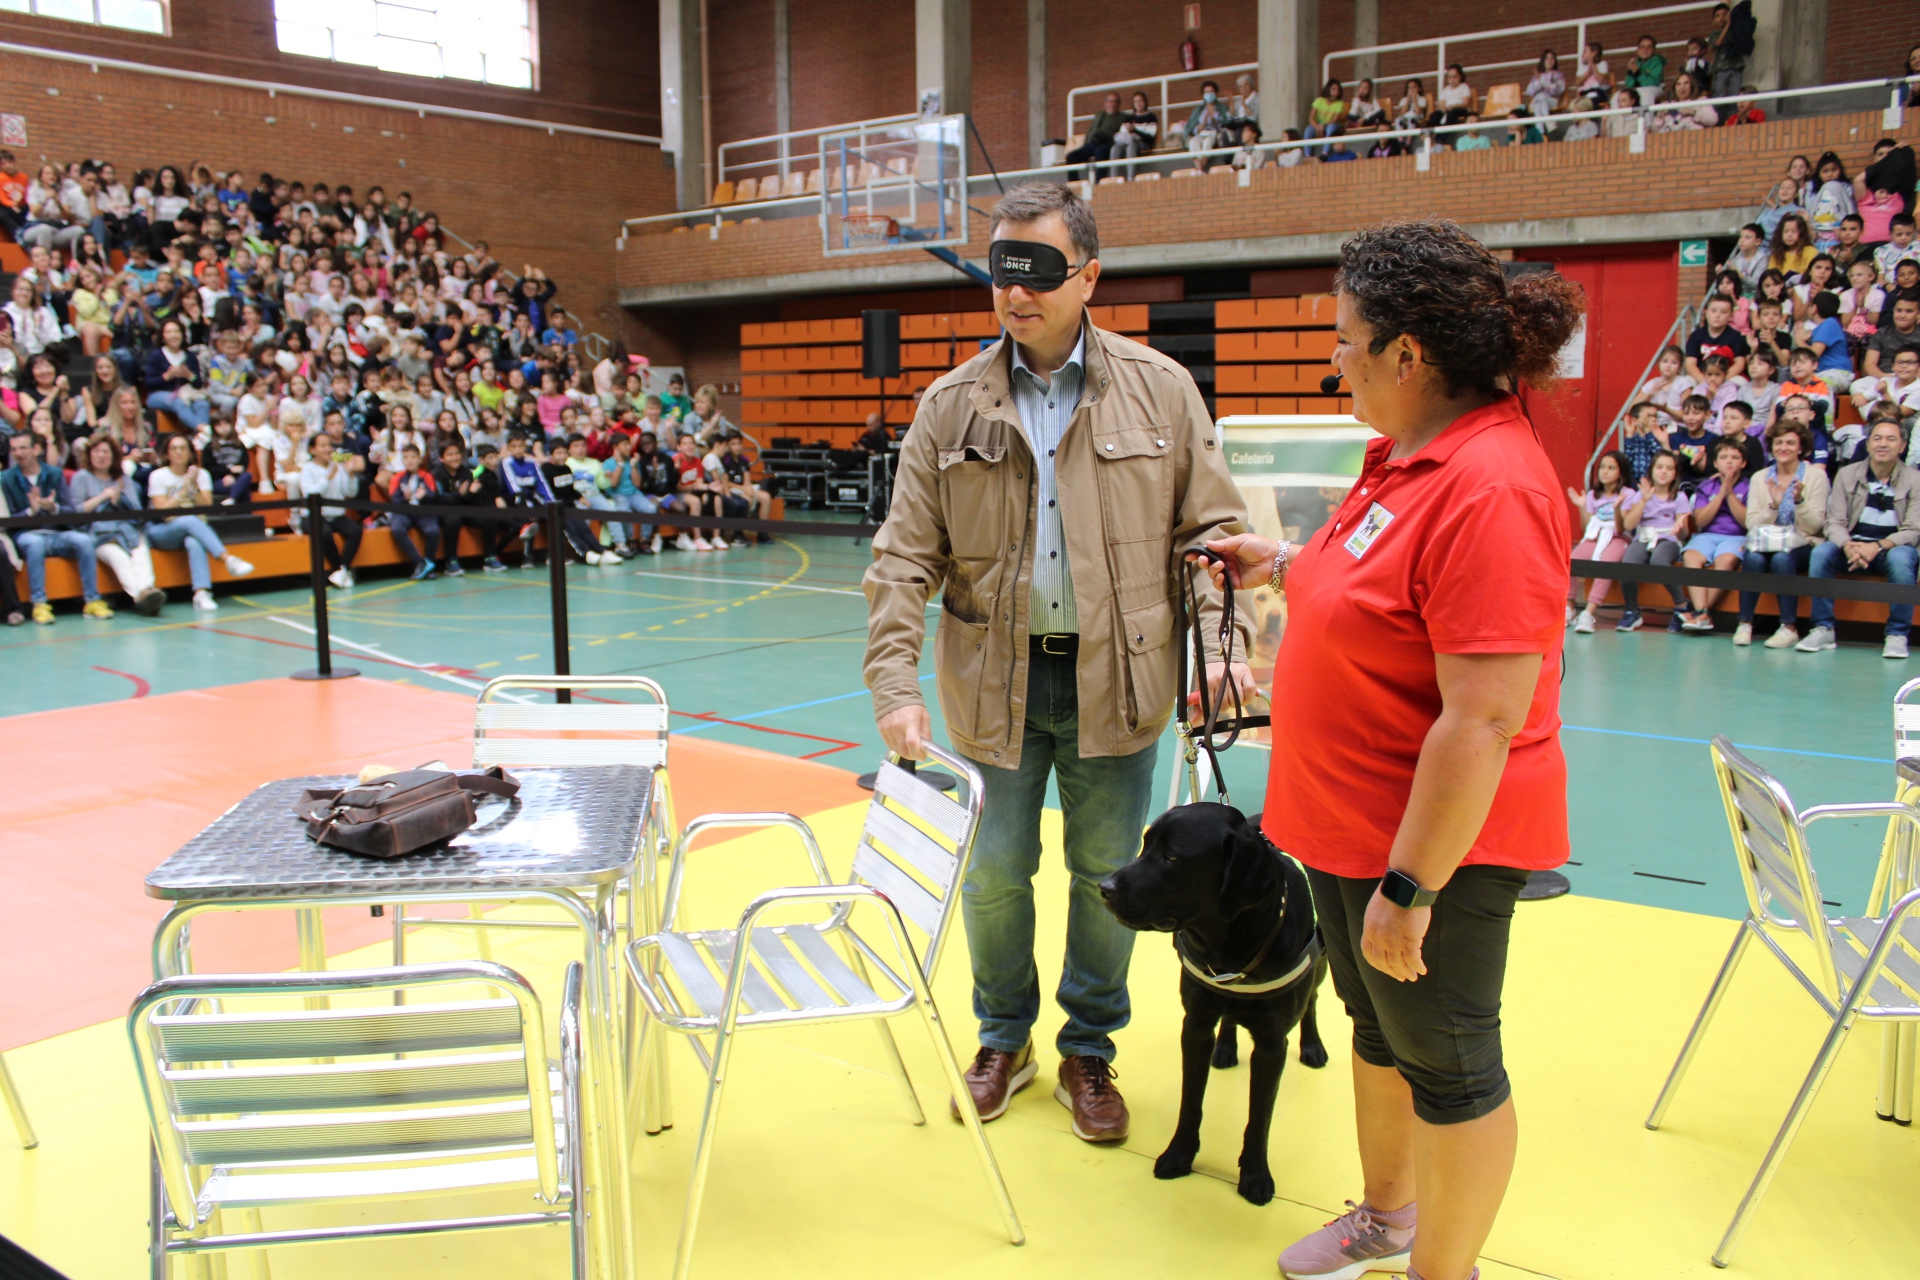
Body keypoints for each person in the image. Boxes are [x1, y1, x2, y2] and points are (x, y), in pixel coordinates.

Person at [1194, 218, 1579, 1280]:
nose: (1334, 359)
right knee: (1376, 1030)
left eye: (1345, 338)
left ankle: (1441, 1271)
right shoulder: (1408, 457)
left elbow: (1484, 719)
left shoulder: (1492, 486)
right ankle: (1387, 1217)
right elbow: (1381, 582)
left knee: (1450, 1066)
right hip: (1347, 826)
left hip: (1429, 848)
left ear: (1407, 353)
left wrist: (1411, 887)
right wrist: (1283, 561)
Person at [863, 182, 1250, 1149]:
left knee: (1105, 875)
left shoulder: (1162, 390)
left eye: (1037, 270)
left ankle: (1088, 1048)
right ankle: (1004, 1037)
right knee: (995, 873)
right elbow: (902, 557)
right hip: (990, 685)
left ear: (1089, 276)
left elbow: (1212, 535)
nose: (1015, 290)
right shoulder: (949, 406)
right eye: (1002, 270)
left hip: (1119, 681)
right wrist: (895, 684)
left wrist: (1224, 654)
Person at [1800, 417, 1920, 658]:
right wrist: (1847, 545)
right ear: (1867, 444)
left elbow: (1913, 529)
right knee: (1821, 553)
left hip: (1891, 548)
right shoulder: (1847, 474)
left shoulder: (1915, 480)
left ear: (1903, 446)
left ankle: (1897, 634)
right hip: (1852, 546)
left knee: (1901, 558)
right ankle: (1823, 628)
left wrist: (1877, 546)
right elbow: (1834, 522)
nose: (1882, 444)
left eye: (1890, 439)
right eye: (1877, 438)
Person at [1734, 416, 1827, 648]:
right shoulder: (1760, 478)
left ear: (1801, 448)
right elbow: (1752, 523)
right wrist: (1773, 506)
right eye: (1779, 443)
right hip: (1767, 541)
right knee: (1753, 558)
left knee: (1781, 559)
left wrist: (1800, 502)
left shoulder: (1816, 476)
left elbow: (1815, 526)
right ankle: (1745, 622)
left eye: (1790, 443)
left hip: (1803, 543)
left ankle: (1789, 626)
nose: (1783, 448)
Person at [2, 431, 108, 623]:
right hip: (26, 534)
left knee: (84, 540)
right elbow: (8, 520)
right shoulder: (6, 478)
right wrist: (31, 512)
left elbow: (70, 512)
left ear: (36, 449)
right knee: (35, 544)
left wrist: (54, 508)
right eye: (14, 449)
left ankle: (92, 600)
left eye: (23, 448)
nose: (18, 453)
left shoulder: (55, 474)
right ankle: (39, 604)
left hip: (57, 532)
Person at [146, 433, 254, 611]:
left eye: (183, 448)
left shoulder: (202, 475)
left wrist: (194, 486)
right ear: (167, 454)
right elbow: (162, 512)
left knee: (194, 541)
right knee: (189, 519)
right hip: (163, 530)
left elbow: (205, 507)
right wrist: (184, 490)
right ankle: (228, 559)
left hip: (194, 529)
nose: (178, 452)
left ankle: (201, 593)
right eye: (174, 448)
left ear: (190, 453)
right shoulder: (158, 475)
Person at [70, 432, 165, 616]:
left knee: (139, 550)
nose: (101, 456)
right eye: (97, 451)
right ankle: (141, 596)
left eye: (106, 452)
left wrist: (120, 500)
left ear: (113, 456)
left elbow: (136, 510)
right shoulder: (81, 477)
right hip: (99, 535)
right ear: (89, 454)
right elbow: (77, 511)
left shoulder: (123, 478)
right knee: (119, 557)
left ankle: (148, 590)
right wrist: (102, 497)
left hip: (126, 530)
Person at [1677, 437, 1751, 631]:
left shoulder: (1750, 486)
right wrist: (1720, 495)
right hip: (1707, 535)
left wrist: (1730, 494)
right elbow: (1700, 521)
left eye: (1735, 457)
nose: (1729, 461)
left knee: (1726, 560)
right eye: (1724, 457)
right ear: (1716, 463)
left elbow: (1747, 522)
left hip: (1737, 537)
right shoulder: (1706, 486)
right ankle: (1703, 614)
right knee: (1690, 556)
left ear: (1743, 463)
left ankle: (1700, 613)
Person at [1619, 449, 1693, 631]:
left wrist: (1680, 526)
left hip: (1669, 539)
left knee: (1659, 561)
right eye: (1659, 467)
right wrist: (1643, 501)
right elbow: (1629, 524)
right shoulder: (1640, 495)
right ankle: (1632, 611)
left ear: (1675, 474)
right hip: (1644, 536)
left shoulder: (1680, 497)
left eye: (1669, 468)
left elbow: (1684, 535)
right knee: (1628, 564)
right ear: (1651, 471)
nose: (1664, 472)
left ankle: (1682, 606)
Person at [1566, 450, 1632, 633]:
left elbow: (1621, 528)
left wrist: (1617, 509)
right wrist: (1582, 507)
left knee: (1605, 564)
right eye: (1603, 467)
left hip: (1617, 538)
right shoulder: (1593, 495)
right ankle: (1569, 607)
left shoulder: (1628, 494)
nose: (1605, 471)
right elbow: (1587, 527)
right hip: (1595, 536)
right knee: (1572, 560)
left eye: (1611, 468)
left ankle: (1589, 613)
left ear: (1621, 472)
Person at [298, 430, 364, 588]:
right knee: (325, 533)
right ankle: (340, 569)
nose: (327, 449)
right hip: (313, 515)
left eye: (329, 445)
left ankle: (342, 570)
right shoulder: (307, 469)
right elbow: (310, 494)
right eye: (322, 446)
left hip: (335, 514)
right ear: (312, 450)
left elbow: (350, 493)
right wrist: (327, 477)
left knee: (356, 531)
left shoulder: (338, 467)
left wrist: (350, 475)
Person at [385, 441, 443, 580]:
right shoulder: (396, 478)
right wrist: (404, 498)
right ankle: (419, 562)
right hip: (403, 512)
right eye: (406, 457)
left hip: (423, 512)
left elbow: (433, 497)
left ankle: (429, 562)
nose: (409, 460)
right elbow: (394, 500)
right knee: (397, 529)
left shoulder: (427, 476)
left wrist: (424, 496)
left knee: (433, 531)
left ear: (419, 459)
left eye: (413, 457)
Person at [1684, 297, 1750, 381]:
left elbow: (1740, 363)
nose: (1717, 315)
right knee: (1687, 380)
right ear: (1706, 313)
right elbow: (1690, 364)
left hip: (1726, 378)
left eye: (1723, 312)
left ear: (1731, 316)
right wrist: (1704, 382)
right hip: (1702, 378)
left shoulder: (1736, 336)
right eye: (1713, 311)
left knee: (1740, 380)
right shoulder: (1696, 336)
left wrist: (1721, 380)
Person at [1066, 92, 1123, 180]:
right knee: (1071, 157)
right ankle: (1074, 183)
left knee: (1100, 152)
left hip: (1109, 143)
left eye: (1115, 101)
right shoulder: (1100, 115)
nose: (1113, 104)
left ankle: (1099, 182)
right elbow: (1091, 131)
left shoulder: (1122, 117)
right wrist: (1086, 144)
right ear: (1106, 103)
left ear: (1119, 103)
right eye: (1110, 101)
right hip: (1094, 143)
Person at [1110, 92, 1159, 165]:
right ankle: (1113, 172)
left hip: (1143, 144)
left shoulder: (1151, 117)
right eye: (1136, 101)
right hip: (1127, 141)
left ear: (1145, 102)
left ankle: (1131, 172)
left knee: (1131, 146)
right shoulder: (1129, 118)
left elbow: (1150, 138)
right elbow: (1122, 133)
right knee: (1115, 147)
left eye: (1141, 101)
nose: (1138, 104)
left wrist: (1134, 130)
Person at [1624, 35, 1666, 105]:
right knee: (1618, 95)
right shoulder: (1635, 62)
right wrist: (1631, 71)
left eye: (1649, 47)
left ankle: (1646, 113)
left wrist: (1637, 73)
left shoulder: (1657, 62)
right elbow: (1628, 84)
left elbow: (1652, 83)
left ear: (1653, 50)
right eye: (1642, 47)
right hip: (1637, 89)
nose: (1645, 50)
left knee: (1645, 93)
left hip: (1654, 88)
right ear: (1637, 50)